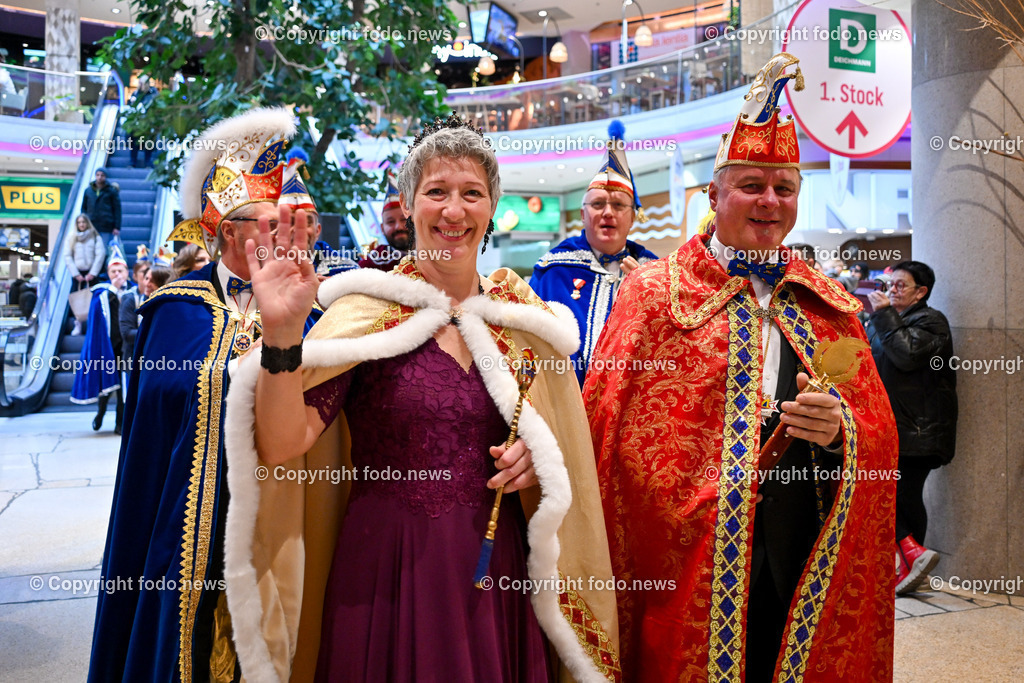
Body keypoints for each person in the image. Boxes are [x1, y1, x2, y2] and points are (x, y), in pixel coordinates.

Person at [221, 113, 620, 681]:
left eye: (471, 194)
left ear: (491, 207)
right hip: (387, 569)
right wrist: (283, 337)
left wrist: (540, 463)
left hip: (496, 568)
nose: (453, 211)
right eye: (436, 192)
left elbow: (566, 452)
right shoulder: (364, 312)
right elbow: (284, 444)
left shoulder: (523, 319)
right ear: (408, 204)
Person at [585, 53, 898, 683]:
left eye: (784, 188)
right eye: (751, 185)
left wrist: (839, 433)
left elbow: (880, 432)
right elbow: (608, 427)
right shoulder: (652, 293)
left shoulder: (830, 301)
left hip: (795, 534)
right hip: (681, 549)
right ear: (714, 195)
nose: (769, 201)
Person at [88, 108, 325, 682]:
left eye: (287, 221)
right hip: (186, 524)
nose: (284, 234)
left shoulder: (316, 314)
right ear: (226, 233)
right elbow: (151, 442)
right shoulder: (173, 312)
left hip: (278, 525)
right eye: (265, 222)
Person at [530, 120, 658, 385]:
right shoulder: (552, 270)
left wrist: (650, 295)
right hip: (564, 409)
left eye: (619, 205)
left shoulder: (655, 273)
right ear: (582, 214)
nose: (608, 212)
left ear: (633, 217)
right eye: (598, 203)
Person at [866, 260, 957, 595]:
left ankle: (911, 557)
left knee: (902, 495)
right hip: (889, 424)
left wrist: (884, 314)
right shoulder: (886, 320)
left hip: (920, 429)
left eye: (901, 285)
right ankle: (910, 559)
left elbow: (906, 353)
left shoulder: (932, 321)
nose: (892, 291)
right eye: (890, 285)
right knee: (889, 494)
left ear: (922, 291)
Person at [71, 247, 129, 433]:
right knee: (106, 386)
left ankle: (120, 423)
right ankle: (100, 413)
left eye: (120, 271)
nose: (117, 274)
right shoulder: (101, 291)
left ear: (127, 272)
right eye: (114, 271)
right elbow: (97, 315)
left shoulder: (133, 292)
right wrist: (114, 289)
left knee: (123, 390)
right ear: (108, 273)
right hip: (108, 347)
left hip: (125, 348)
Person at [358, 172, 410, 271]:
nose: (398, 227)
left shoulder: (434, 253)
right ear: (382, 228)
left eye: (403, 220)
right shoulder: (374, 260)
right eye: (390, 222)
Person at [120, 264, 172, 361]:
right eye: (146, 278)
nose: (147, 284)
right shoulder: (131, 300)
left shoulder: (172, 306)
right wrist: (158, 332)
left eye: (152, 281)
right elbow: (127, 334)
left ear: (164, 282)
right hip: (135, 359)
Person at [127, 74, 158, 168]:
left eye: (143, 83)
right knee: (134, 141)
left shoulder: (153, 93)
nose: (141, 85)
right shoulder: (136, 93)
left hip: (149, 122)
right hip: (137, 123)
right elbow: (130, 106)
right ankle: (133, 162)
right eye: (140, 83)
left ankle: (148, 162)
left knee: (148, 143)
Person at [82, 168, 122, 239]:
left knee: (103, 248)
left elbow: (117, 209)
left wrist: (117, 227)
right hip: (91, 225)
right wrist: (84, 222)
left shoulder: (111, 191)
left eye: (102, 175)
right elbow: (84, 208)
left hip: (107, 226)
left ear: (105, 177)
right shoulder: (88, 191)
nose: (99, 177)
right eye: (98, 175)